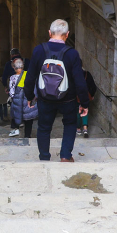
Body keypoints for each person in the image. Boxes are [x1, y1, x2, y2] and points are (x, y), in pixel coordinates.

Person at [23, 19, 90, 162]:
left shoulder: (39, 50)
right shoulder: (72, 54)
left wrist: (29, 96)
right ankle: (65, 156)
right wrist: (84, 103)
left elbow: (30, 77)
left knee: (44, 127)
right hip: (68, 99)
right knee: (70, 124)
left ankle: (44, 157)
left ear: (49, 33)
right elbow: (80, 82)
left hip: (45, 98)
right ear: (67, 34)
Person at [8, 58, 38, 137]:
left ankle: (16, 129)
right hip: (29, 102)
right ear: (23, 66)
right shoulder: (29, 75)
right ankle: (27, 136)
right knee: (29, 121)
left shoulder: (12, 78)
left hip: (18, 104)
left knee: (17, 116)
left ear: (14, 67)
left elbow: (12, 93)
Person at [77, 69, 98, 138]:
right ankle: (85, 129)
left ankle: (78, 129)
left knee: (77, 112)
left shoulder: (72, 74)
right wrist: (91, 95)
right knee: (85, 110)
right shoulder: (87, 74)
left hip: (76, 97)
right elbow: (93, 87)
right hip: (86, 96)